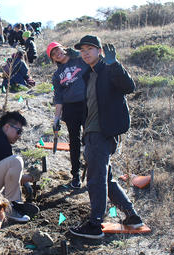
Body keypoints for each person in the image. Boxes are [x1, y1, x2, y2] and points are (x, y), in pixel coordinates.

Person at [69, 35, 143, 239]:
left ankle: (94, 225)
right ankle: (132, 216)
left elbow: (129, 87)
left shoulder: (108, 69)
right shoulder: (89, 74)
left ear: (100, 51)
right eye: (82, 50)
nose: (85, 53)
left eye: (89, 49)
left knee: (96, 179)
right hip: (93, 133)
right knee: (106, 179)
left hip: (102, 133)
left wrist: (115, 64)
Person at [47, 41, 89, 189]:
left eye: (58, 50)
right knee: (74, 142)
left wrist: (74, 52)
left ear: (63, 49)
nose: (57, 54)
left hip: (87, 104)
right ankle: (75, 174)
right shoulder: (57, 75)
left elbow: (91, 58)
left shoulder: (79, 60)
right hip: (70, 109)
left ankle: (93, 172)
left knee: (90, 139)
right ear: (53, 59)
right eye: (53, 54)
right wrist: (56, 118)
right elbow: (58, 98)